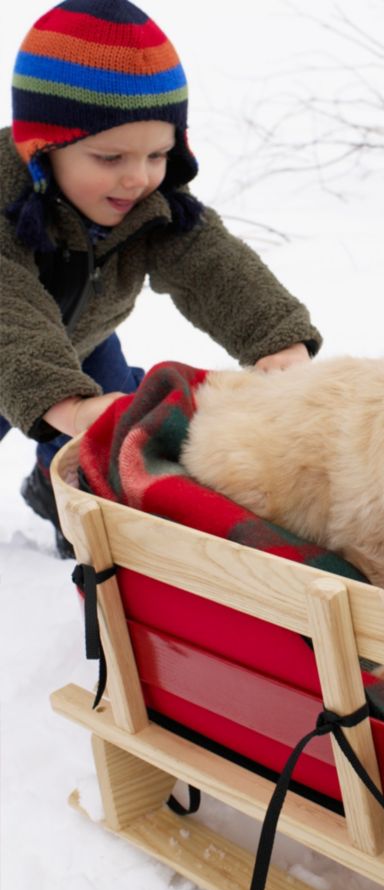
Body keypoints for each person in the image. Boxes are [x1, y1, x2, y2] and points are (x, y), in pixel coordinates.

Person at [1, 0, 322, 556]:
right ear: (42, 147)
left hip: (80, 342)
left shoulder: (148, 201)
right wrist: (68, 406)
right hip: (11, 342)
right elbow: (9, 315)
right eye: (109, 157)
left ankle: (72, 506)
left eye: (158, 154)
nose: (137, 177)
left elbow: (212, 265)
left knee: (115, 430)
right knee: (68, 403)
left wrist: (279, 343)